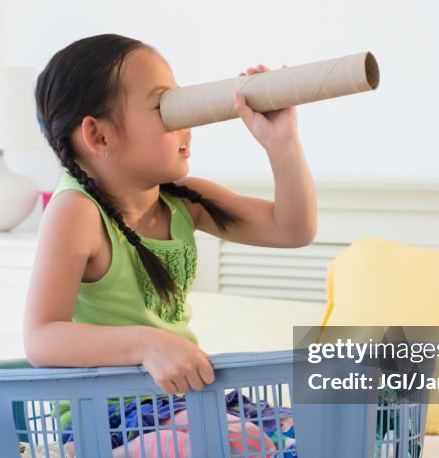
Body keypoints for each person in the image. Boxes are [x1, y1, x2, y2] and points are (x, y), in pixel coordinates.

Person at [24, 33, 317, 396]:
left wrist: (281, 143)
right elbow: (42, 339)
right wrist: (148, 344)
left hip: (178, 406)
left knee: (288, 436)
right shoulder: (77, 212)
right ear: (99, 137)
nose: (187, 124)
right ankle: (100, 455)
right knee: (240, 442)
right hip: (109, 416)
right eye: (165, 107)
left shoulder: (185, 200)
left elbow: (292, 230)